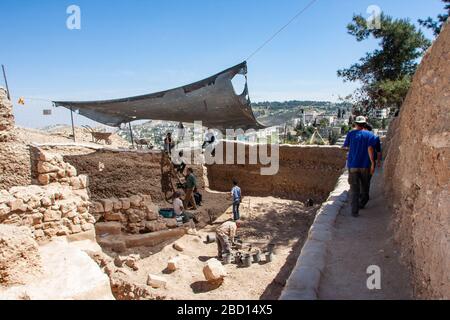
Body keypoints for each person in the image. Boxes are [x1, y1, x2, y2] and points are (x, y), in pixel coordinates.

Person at [343, 116, 377, 218]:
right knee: (365, 186)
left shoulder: (350, 134)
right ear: (365, 124)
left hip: (353, 165)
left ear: (356, 123)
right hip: (365, 166)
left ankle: (354, 212)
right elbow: (370, 149)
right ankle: (362, 203)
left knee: (354, 189)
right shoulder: (370, 135)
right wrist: (372, 163)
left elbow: (345, 147)